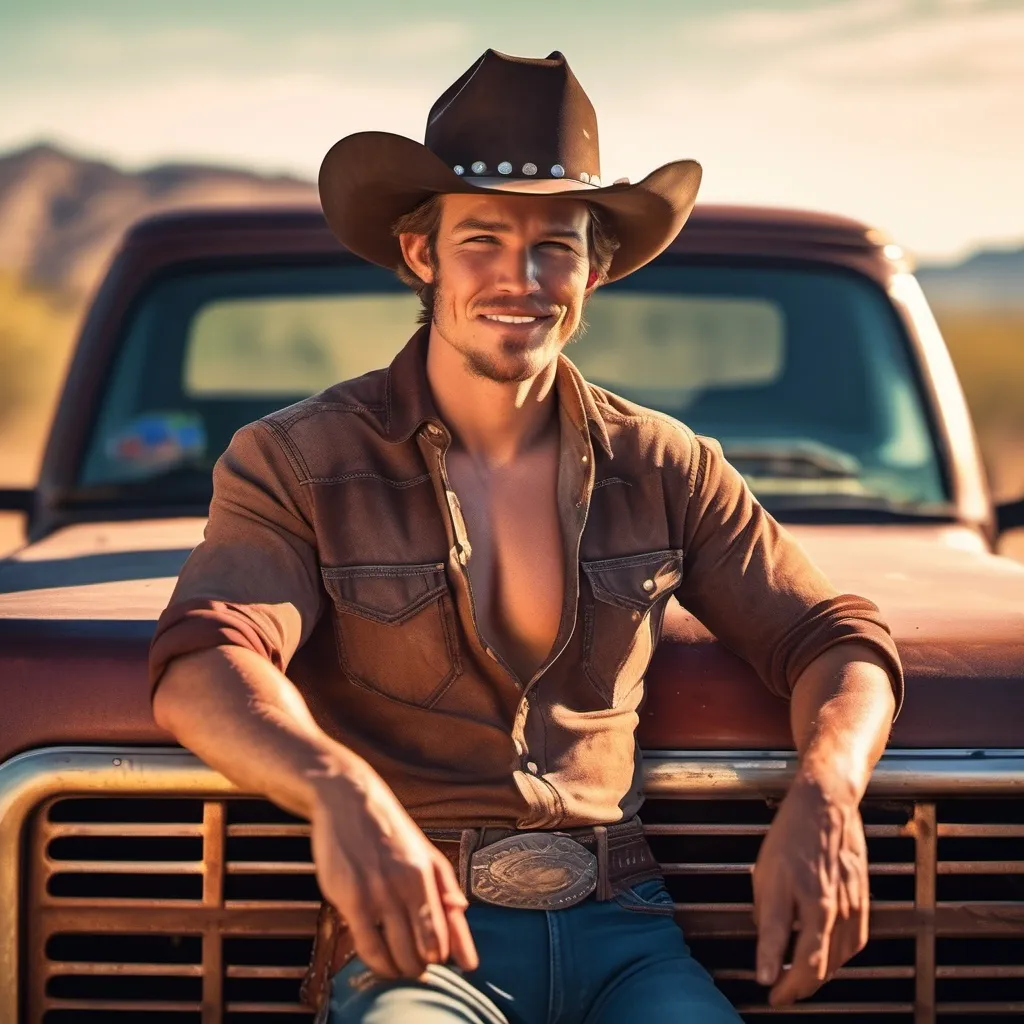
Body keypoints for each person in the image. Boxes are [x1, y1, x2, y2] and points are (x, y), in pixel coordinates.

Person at [149, 49, 903, 1024]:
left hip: (628, 928)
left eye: (557, 244)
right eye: (483, 240)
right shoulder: (297, 459)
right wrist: (339, 790)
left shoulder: (667, 462)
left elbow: (835, 639)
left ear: (594, 267)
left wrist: (827, 786)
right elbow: (205, 660)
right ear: (421, 255)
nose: (523, 277)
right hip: (419, 946)